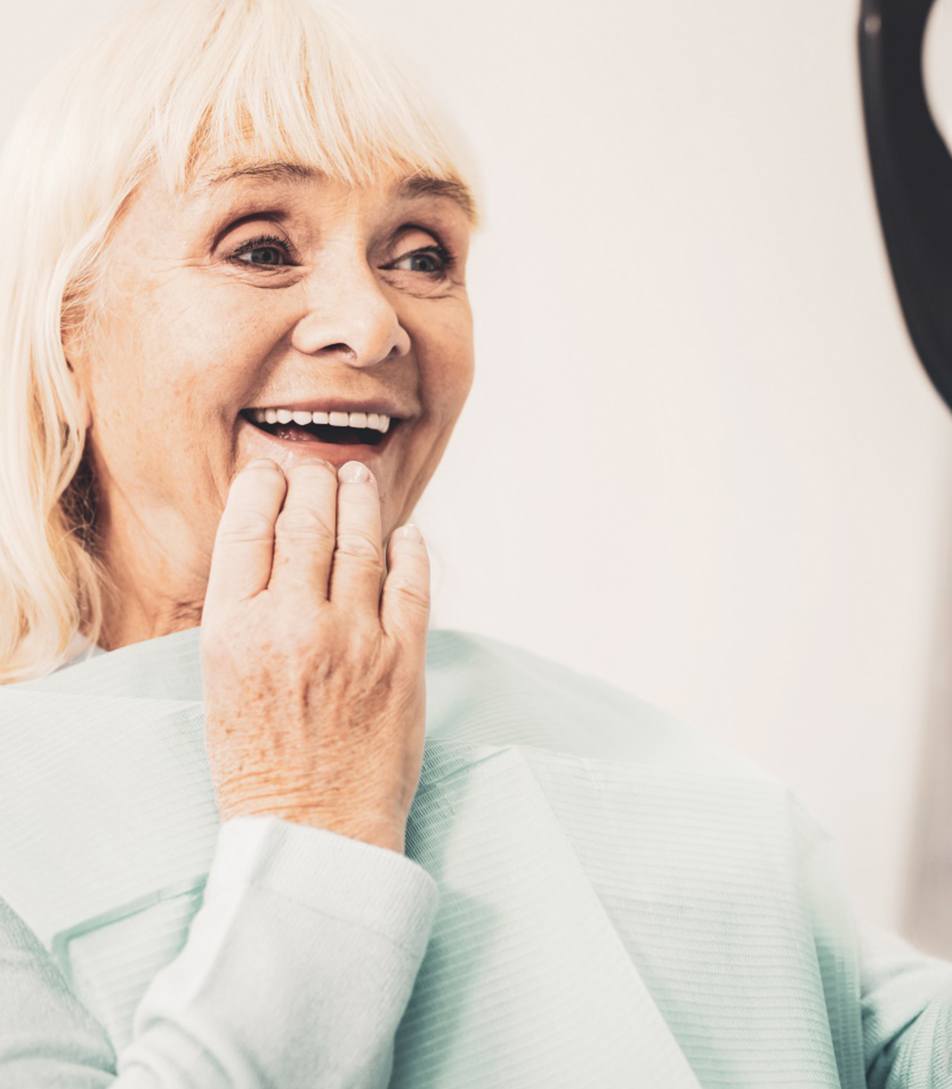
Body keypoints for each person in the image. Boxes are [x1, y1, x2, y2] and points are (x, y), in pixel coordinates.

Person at [1, 1, 952, 1086]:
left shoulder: (644, 757)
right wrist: (317, 825)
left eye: (422, 254)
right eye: (261, 246)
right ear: (64, 329)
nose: (370, 324)